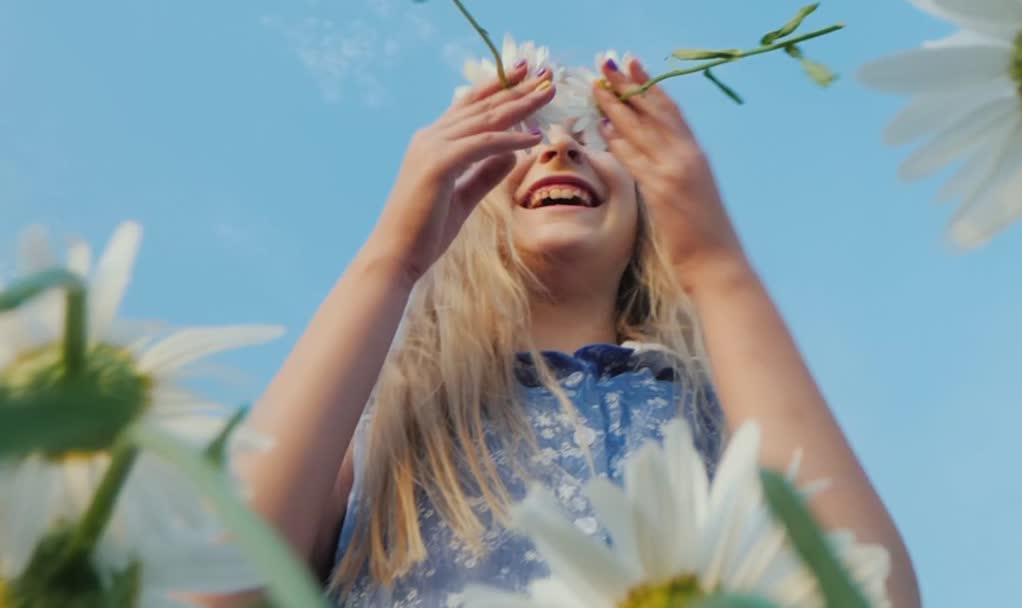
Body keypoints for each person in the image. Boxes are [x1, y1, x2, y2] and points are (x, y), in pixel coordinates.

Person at [234, 55, 921, 608]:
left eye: (593, 135)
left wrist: (717, 267)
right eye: (526, 136)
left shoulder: (711, 408)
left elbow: (870, 592)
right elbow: (225, 578)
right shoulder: (386, 423)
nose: (561, 144)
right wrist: (393, 260)